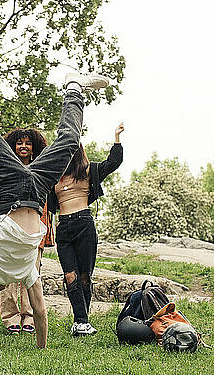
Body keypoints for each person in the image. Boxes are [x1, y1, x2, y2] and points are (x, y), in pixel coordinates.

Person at [0, 70, 110, 348]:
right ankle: (74, 89)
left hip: (8, 188)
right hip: (38, 187)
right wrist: (42, 350)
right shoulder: (26, 271)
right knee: (69, 141)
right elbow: (41, 312)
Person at [48, 124, 123, 336]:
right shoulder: (53, 177)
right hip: (63, 227)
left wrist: (116, 137)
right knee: (69, 276)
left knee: (84, 277)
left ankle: (81, 321)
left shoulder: (89, 171)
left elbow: (114, 162)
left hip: (84, 224)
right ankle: (81, 321)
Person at [0, 122, 55, 335]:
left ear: (35, 147)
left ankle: (30, 317)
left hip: (34, 227)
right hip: (9, 227)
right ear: (12, 146)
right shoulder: (6, 167)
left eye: (28, 143)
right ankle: (11, 317)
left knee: (32, 274)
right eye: (19, 143)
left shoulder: (41, 167)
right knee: (8, 272)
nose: (24, 146)